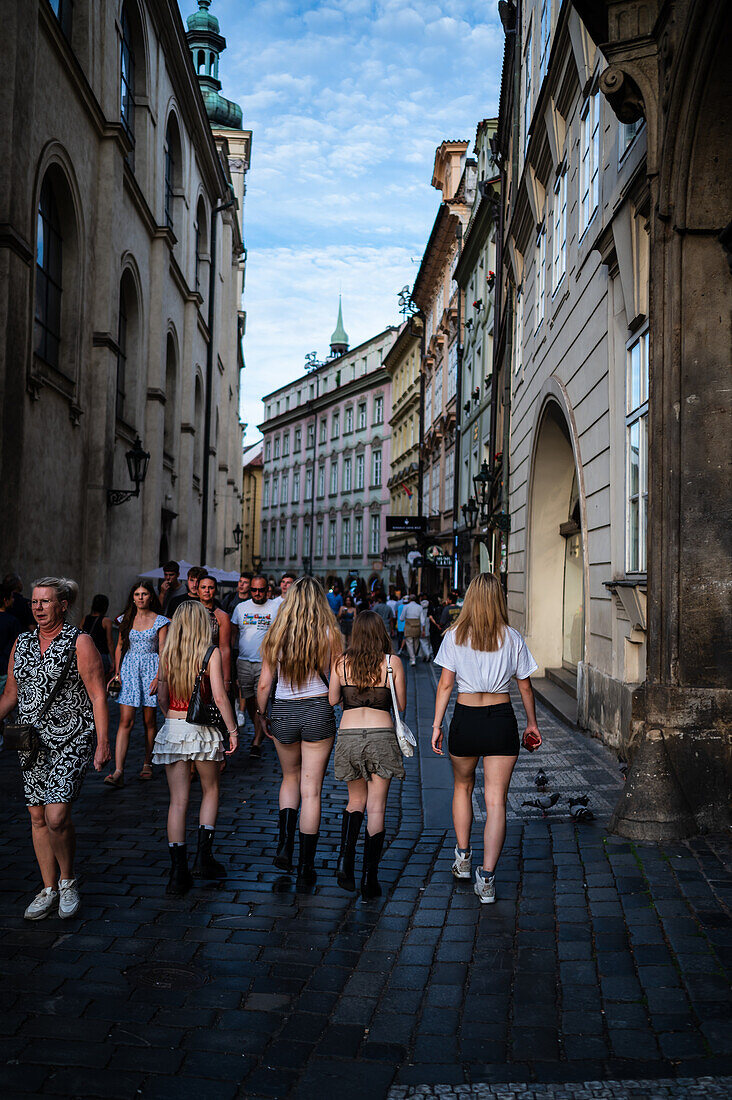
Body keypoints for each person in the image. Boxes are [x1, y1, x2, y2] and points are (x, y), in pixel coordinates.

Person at [0, 577, 110, 919]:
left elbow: (97, 695)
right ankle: (47, 888)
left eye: (46, 602)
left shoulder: (80, 642)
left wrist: (103, 742)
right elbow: (10, 694)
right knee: (36, 816)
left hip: (70, 739)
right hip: (29, 740)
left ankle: (67, 880)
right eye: (34, 601)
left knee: (56, 815)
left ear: (62, 605)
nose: (38, 607)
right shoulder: (22, 642)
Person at [431, 573, 540, 905]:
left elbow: (446, 685)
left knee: (462, 787)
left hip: (465, 719)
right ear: (499, 600)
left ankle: (463, 858)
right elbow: (524, 686)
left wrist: (437, 724)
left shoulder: (454, 636)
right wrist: (532, 724)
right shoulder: (512, 638)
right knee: (496, 802)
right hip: (500, 721)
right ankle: (488, 879)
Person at [256, 577, 341, 884]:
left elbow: (265, 683)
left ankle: (285, 846)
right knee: (312, 790)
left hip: (284, 712)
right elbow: (335, 685)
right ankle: (306, 866)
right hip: (318, 709)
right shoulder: (330, 634)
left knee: (289, 779)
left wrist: (261, 714)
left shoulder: (276, 634)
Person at [152, 601, 238, 895]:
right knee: (210, 790)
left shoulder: (168, 653)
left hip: (174, 726)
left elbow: (162, 696)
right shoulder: (210, 653)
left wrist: (171, 718)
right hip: (203, 730)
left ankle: (178, 873)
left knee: (178, 801)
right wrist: (233, 730)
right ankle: (204, 857)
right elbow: (221, 697)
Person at [329, 612, 407, 898]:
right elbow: (402, 704)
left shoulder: (341, 662)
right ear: (381, 633)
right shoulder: (392, 662)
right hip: (382, 737)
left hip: (349, 735)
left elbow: (332, 699)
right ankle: (369, 878)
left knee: (355, 801)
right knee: (376, 807)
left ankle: (344, 862)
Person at [105, 581, 169, 786]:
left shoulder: (160, 621)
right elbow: (119, 647)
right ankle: (118, 770)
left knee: (149, 721)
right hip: (129, 669)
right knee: (125, 721)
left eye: (144, 594)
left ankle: (147, 764)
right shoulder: (126, 619)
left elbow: (163, 650)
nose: (141, 597)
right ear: (132, 597)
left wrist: (159, 676)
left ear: (151, 596)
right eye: (137, 594)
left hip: (151, 668)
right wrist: (117, 673)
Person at [230, 575, 280, 757]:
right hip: (243, 661)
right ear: (249, 590)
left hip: (265, 662)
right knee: (249, 700)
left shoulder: (275, 607)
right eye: (254, 590)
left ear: (267, 590)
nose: (257, 593)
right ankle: (262, 726)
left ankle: (257, 741)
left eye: (261, 590)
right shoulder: (240, 608)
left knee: (262, 701)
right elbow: (233, 636)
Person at [197, 577, 232, 697]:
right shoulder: (189, 613)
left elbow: (225, 649)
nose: (207, 590)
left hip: (212, 665)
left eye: (210, 587)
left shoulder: (222, 616)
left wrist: (226, 679)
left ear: (215, 591)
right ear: (197, 591)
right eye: (203, 587)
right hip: (189, 663)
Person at [81, 594, 115, 678]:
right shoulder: (106, 621)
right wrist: (114, 661)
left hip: (86, 655)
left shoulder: (85, 619)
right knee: (102, 683)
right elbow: (110, 642)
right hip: (101, 656)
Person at [0, 582, 22, 696]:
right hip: (4, 668)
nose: (14, 600)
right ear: (5, 600)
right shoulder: (12, 621)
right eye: (12, 597)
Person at [403, 594, 423, 666]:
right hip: (417, 626)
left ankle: (412, 658)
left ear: (409, 600)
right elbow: (422, 620)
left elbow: (401, 618)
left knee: (409, 642)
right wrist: (423, 629)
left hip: (408, 626)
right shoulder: (420, 607)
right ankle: (414, 655)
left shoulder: (406, 607)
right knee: (416, 642)